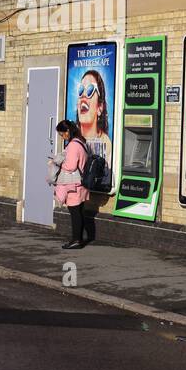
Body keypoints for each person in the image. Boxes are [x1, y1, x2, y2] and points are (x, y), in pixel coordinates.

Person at [50, 119, 94, 249]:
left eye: (62, 134)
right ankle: (78, 239)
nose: (62, 137)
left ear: (67, 131)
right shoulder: (81, 141)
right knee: (79, 212)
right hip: (80, 183)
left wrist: (57, 162)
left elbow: (70, 166)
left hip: (74, 185)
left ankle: (76, 240)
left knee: (75, 213)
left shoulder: (73, 145)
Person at [74, 69, 112, 181]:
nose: (83, 96)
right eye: (81, 90)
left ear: (100, 107)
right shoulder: (72, 138)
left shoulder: (106, 144)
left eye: (90, 90)